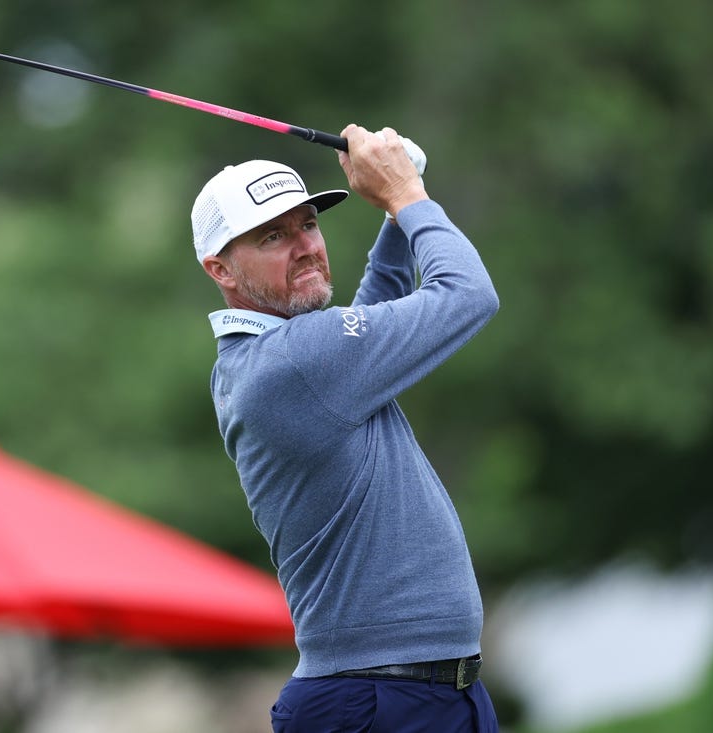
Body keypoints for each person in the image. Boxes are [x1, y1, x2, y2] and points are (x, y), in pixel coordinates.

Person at [190, 124, 500, 732]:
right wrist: (407, 194)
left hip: (419, 693)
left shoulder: (280, 358)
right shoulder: (294, 362)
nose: (304, 245)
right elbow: (469, 295)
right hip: (378, 703)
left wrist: (392, 216)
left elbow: (358, 326)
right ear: (221, 269)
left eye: (308, 224)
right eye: (272, 236)